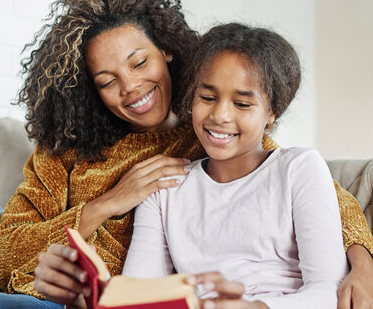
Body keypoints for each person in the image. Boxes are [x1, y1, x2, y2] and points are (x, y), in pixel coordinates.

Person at [0, 0, 373, 309]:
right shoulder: (65, 151)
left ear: (167, 51)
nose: (130, 88)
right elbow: (6, 254)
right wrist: (109, 202)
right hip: (41, 284)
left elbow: (325, 201)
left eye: (139, 62)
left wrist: (363, 265)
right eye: (107, 81)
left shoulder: (210, 135)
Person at [122, 23, 350, 308]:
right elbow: (137, 294)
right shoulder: (164, 189)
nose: (220, 115)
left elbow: (330, 290)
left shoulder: (299, 168)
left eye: (242, 104)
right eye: (207, 98)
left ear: (271, 112)